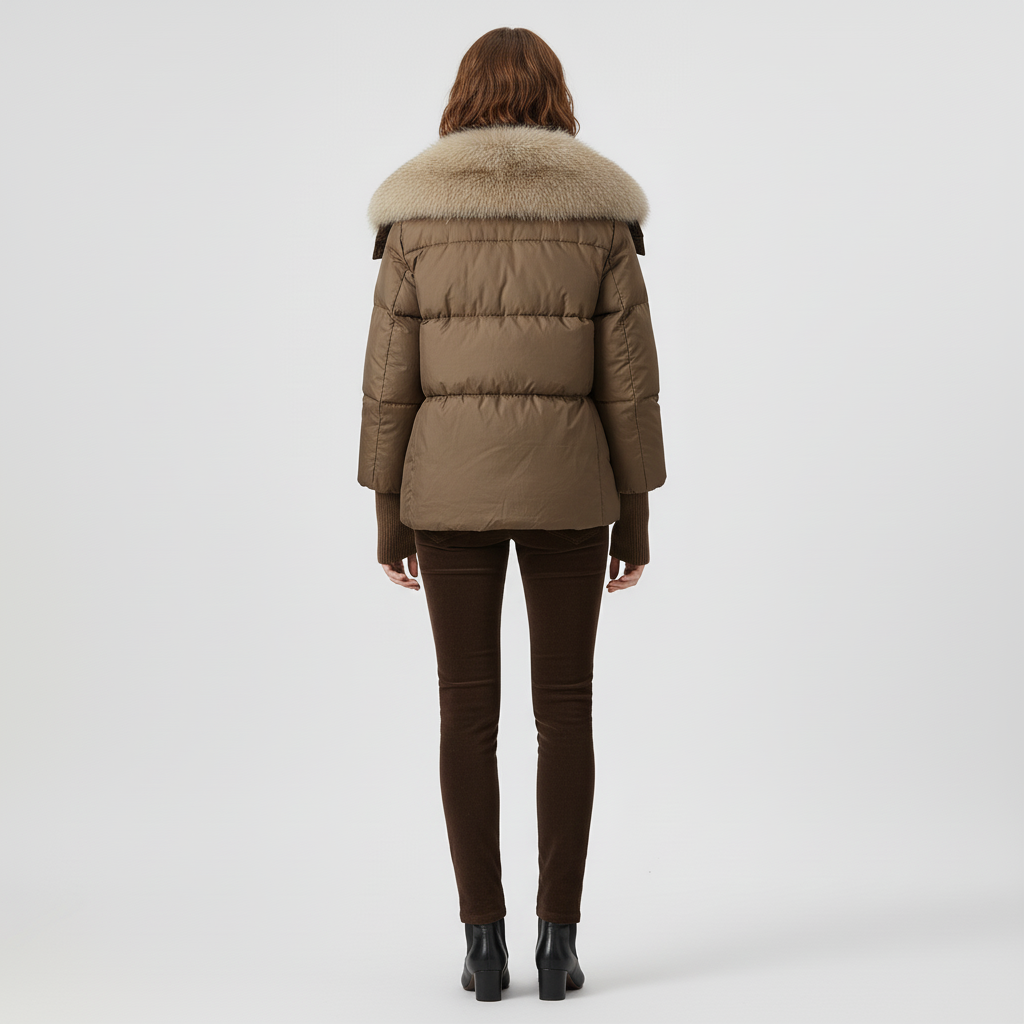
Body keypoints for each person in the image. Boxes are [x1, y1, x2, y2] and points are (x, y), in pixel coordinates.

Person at [357, 26, 667, 1002]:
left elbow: (387, 387)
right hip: (572, 491)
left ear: (462, 98)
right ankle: (556, 945)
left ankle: (482, 946)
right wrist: (635, 520)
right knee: (564, 712)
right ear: (555, 97)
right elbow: (630, 389)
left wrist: (389, 517)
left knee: (466, 713)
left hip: (445, 491)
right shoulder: (600, 221)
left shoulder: (414, 224)